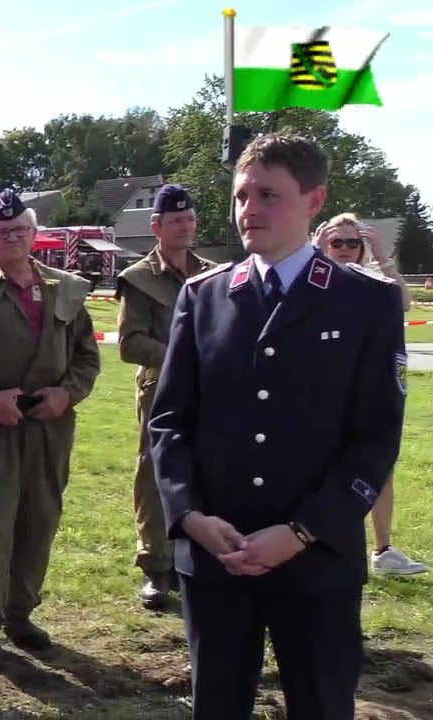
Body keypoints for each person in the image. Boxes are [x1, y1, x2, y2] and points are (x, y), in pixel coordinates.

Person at [150, 133, 406, 719]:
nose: (249, 209)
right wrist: (189, 515)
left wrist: (301, 532)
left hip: (317, 558)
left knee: (320, 704)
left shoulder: (364, 302)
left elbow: (374, 439)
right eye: (242, 195)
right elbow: (169, 421)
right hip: (217, 554)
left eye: (269, 195)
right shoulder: (204, 297)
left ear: (314, 200)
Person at [0, 188, 101, 669]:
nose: (11, 238)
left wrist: (66, 394)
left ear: (34, 234)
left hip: (49, 425)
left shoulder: (66, 289)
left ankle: (20, 613)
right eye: (1, 232)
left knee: (40, 518)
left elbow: (86, 356)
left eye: (19, 230)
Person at [114, 184, 216, 609]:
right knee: (156, 473)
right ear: (156, 226)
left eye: (189, 219)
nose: (185, 227)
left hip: (213, 389)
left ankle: (198, 554)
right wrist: (183, 356)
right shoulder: (139, 279)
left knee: (209, 469)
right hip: (161, 388)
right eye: (175, 220)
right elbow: (129, 343)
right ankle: (156, 565)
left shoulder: (213, 275)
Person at [314, 213, 426, 576]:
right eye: (337, 242)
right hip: (324, 390)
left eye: (353, 243)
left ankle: (383, 549)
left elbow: (403, 302)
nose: (345, 249)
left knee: (379, 466)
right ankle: (318, 542)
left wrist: (383, 258)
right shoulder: (312, 279)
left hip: (367, 389)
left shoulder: (372, 283)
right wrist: (314, 253)